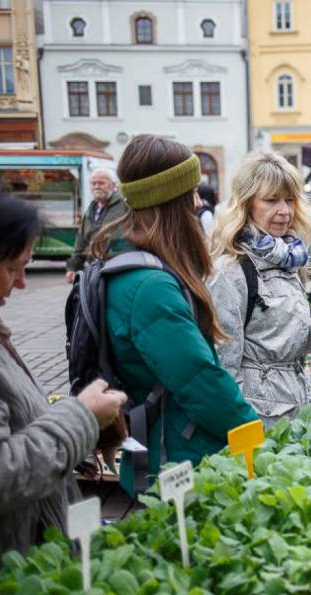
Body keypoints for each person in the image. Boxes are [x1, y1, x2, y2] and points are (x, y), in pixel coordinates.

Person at [0, 182, 126, 569]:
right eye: (11, 269)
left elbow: (12, 423)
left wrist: (86, 424)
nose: (22, 283)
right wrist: (81, 416)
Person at [90, 135, 259, 496]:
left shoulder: (135, 266)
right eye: (192, 193)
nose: (199, 202)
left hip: (165, 443)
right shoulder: (150, 286)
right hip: (179, 459)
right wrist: (255, 437)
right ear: (168, 201)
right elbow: (199, 380)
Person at [208, 152, 311, 425]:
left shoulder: (288, 258)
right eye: (271, 200)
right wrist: (241, 427)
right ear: (246, 205)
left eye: (290, 200)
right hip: (260, 419)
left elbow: (272, 338)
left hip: (296, 406)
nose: (285, 211)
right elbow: (223, 367)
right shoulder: (232, 271)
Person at [65, 168, 129, 283]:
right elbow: (81, 240)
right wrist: (73, 267)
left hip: (119, 266)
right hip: (96, 267)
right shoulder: (92, 207)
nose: (96, 186)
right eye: (93, 183)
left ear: (113, 185)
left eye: (101, 183)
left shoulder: (124, 204)